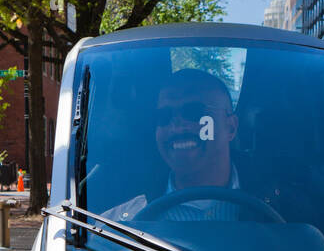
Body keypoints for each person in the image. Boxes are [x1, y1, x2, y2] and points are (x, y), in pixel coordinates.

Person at [101, 68, 242, 222]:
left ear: (231, 128)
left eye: (194, 112)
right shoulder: (120, 225)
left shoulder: (271, 207)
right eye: (164, 116)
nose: (177, 128)